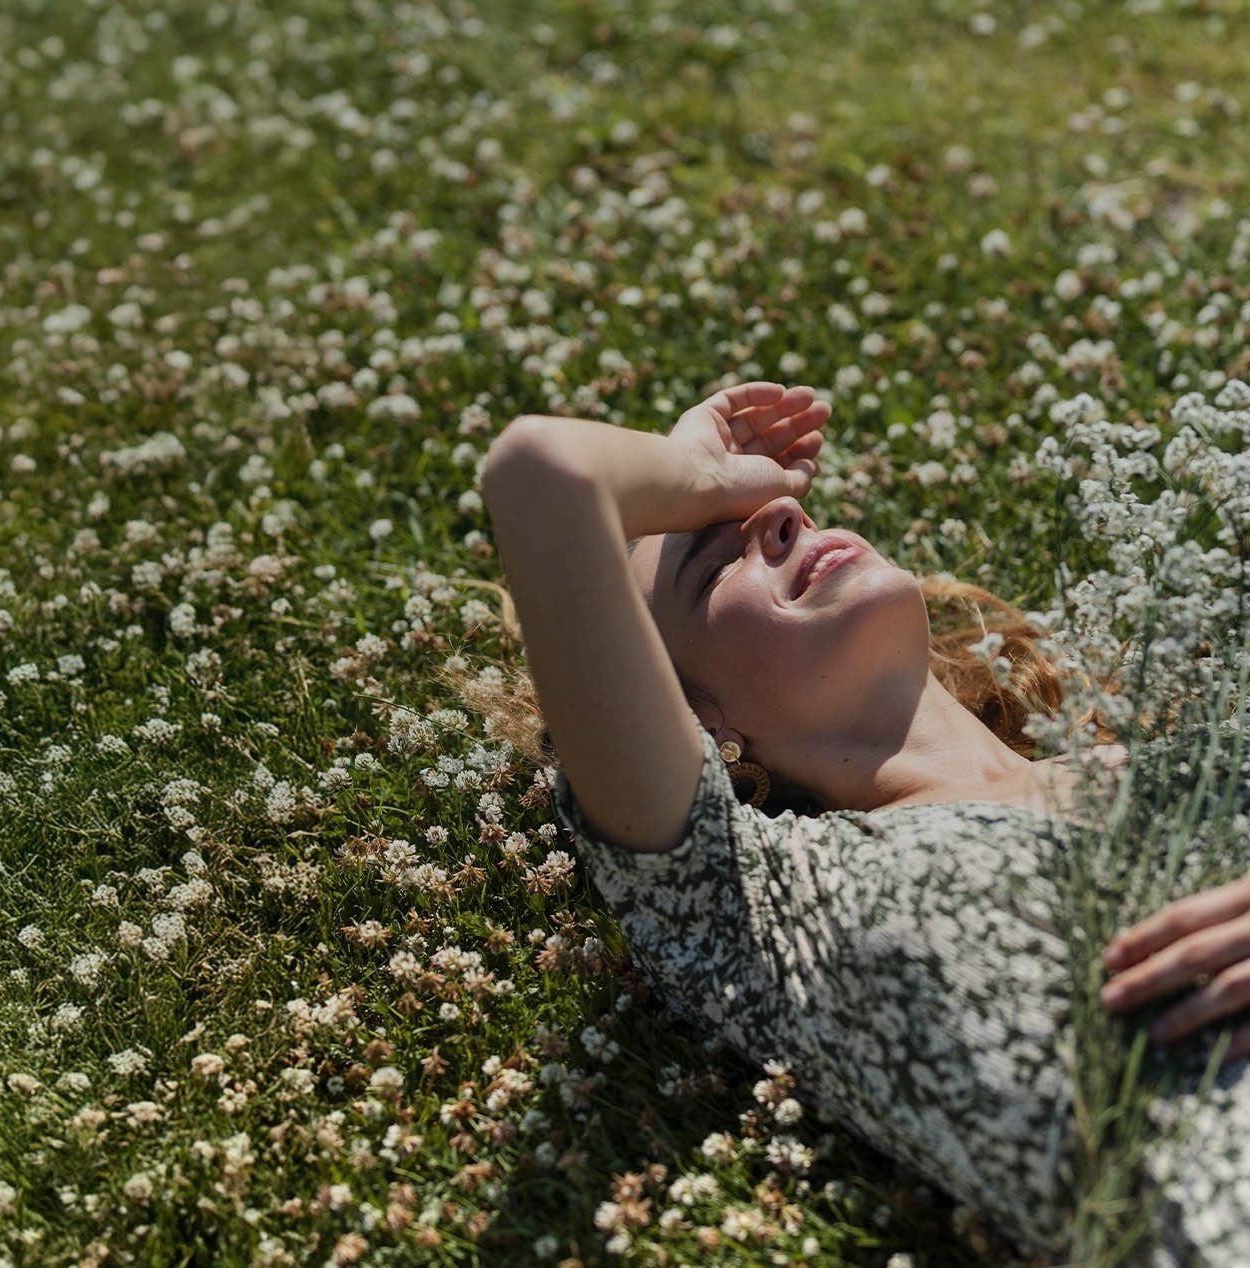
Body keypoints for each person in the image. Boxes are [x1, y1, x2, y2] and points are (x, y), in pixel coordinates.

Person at [470, 381, 1250, 1263]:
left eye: (781, 510)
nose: (780, 523)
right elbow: (542, 474)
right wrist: (695, 468)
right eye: (716, 559)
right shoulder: (759, 899)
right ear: (700, 722)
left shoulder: (1192, 768)